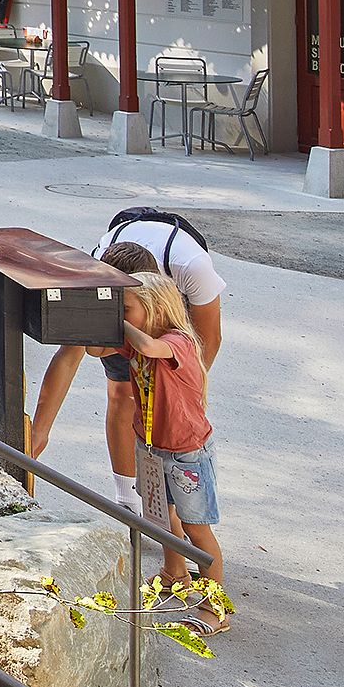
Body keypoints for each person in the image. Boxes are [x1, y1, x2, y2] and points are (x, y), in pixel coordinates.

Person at [29, 206, 227, 514]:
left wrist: (185, 396)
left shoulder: (192, 266)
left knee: (164, 405)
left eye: (128, 307)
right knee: (121, 394)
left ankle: (166, 507)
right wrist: (40, 432)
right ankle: (129, 501)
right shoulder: (96, 272)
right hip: (123, 291)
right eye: (117, 306)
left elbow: (208, 339)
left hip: (174, 305)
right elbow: (71, 354)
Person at [114, 258, 228, 628]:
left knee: (196, 529)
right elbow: (98, 351)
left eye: (127, 307)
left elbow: (148, 347)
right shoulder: (138, 340)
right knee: (161, 517)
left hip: (186, 452)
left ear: (155, 308)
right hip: (152, 446)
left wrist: (117, 323)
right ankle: (174, 572)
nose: (122, 314)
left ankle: (216, 607)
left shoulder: (177, 342)